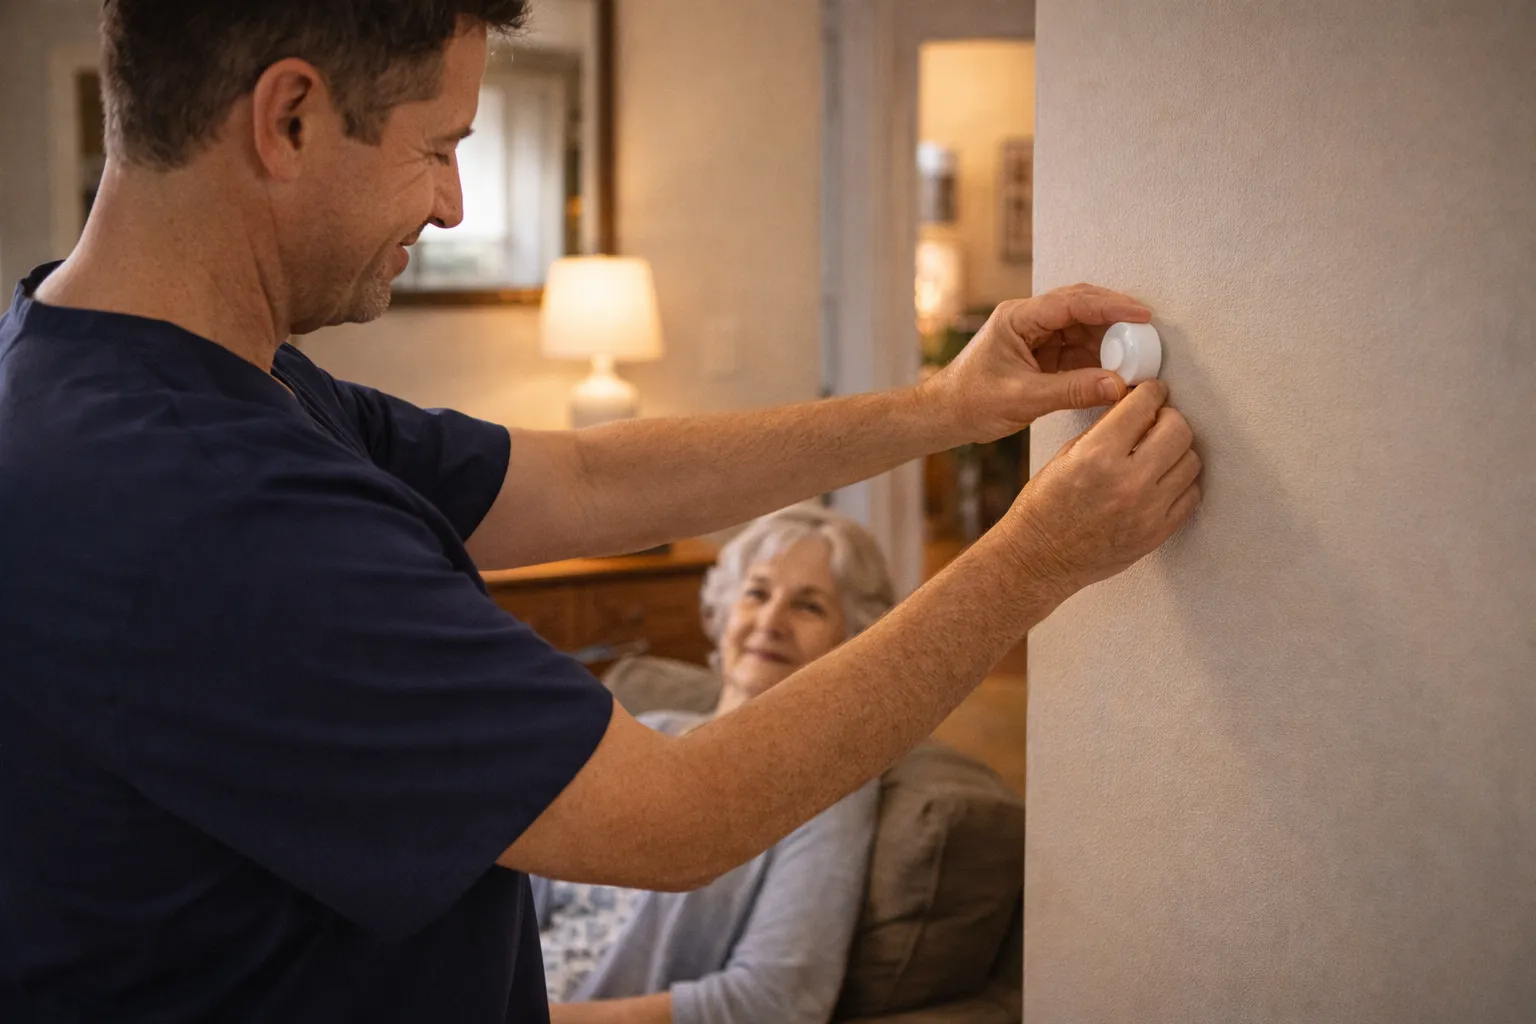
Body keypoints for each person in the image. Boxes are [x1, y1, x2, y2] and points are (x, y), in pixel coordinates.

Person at [0, 2, 1202, 1021]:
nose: (454, 203)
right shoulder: (208, 510)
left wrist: (942, 408)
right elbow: (677, 818)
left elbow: (576, 479)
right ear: (291, 116)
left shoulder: (137, 370)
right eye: (439, 146)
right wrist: (1037, 558)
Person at [535, 506, 895, 1023]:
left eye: (809, 606)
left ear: (853, 641)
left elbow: (777, 1001)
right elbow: (517, 898)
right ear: (725, 609)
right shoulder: (641, 731)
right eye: (757, 593)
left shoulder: (824, 787)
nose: (770, 621)